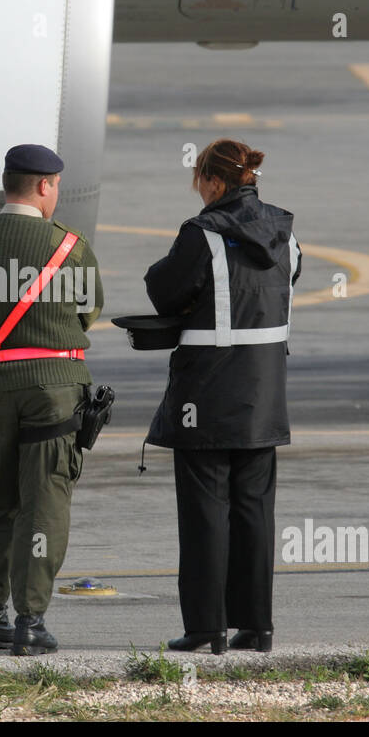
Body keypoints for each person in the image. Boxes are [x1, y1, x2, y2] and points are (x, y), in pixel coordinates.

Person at [143, 138, 300, 654]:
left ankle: (206, 627)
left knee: (205, 510)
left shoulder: (203, 233)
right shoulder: (285, 231)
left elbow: (164, 289)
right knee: (254, 510)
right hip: (264, 394)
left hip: (207, 397)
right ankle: (257, 626)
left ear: (213, 182)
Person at [0, 144, 104, 655]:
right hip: (52, 390)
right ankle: (30, 622)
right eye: (55, 186)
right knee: (45, 502)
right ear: (45, 185)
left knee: (1, 501)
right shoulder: (69, 246)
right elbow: (87, 313)